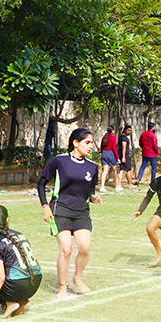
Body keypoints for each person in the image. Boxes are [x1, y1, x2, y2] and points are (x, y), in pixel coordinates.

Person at [38, 128, 101, 298]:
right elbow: (41, 183)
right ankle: (62, 287)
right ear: (75, 142)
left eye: (91, 143)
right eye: (87, 142)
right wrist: (45, 206)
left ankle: (78, 279)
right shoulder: (59, 161)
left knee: (85, 248)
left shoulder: (93, 167)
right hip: (61, 210)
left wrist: (93, 197)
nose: (90, 147)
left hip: (81, 212)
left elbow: (89, 190)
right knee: (66, 249)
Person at [99, 126, 121, 192]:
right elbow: (114, 148)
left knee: (104, 171)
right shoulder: (113, 137)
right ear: (112, 131)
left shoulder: (104, 137)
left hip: (104, 153)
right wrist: (117, 158)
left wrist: (102, 153)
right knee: (115, 170)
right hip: (110, 153)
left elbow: (101, 147)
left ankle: (102, 186)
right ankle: (117, 186)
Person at [118, 124, 135, 188]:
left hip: (123, 156)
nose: (129, 132)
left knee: (121, 170)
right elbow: (124, 147)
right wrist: (124, 157)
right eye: (128, 130)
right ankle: (130, 184)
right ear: (124, 130)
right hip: (125, 156)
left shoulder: (121, 137)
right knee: (128, 170)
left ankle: (119, 184)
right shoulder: (124, 138)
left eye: (130, 130)